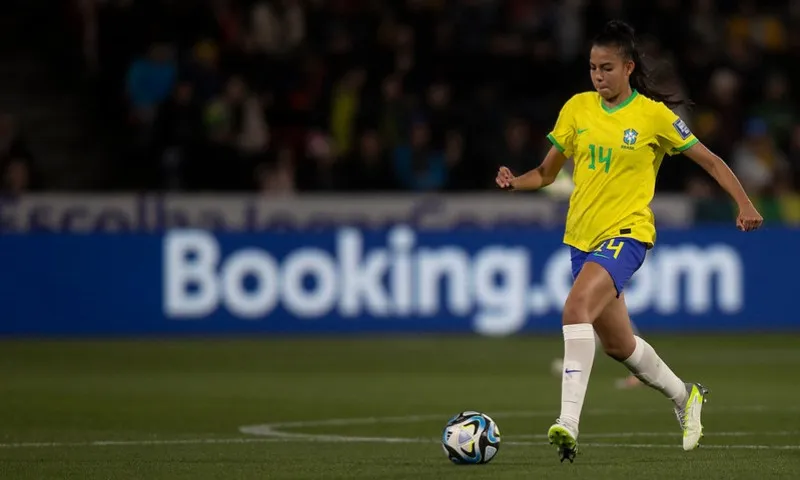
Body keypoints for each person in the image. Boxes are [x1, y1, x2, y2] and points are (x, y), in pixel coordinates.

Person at [495, 20, 763, 463]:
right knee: (620, 345)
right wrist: (514, 182)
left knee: (574, 308)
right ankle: (685, 396)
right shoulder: (577, 109)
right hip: (581, 241)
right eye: (592, 69)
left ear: (628, 67)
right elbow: (545, 174)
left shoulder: (654, 116)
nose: (598, 77)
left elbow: (711, 161)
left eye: (606, 68)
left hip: (628, 234)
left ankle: (568, 423)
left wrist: (745, 203)